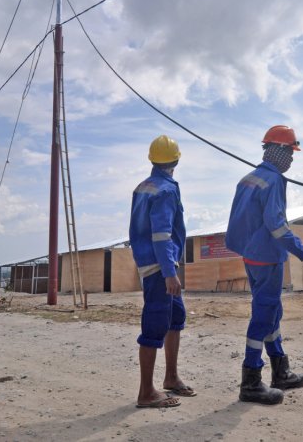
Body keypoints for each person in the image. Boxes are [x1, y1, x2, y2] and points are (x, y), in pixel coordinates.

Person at [225, 125, 303, 405]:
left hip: (251, 256)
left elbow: (239, 223)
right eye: (291, 153)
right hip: (267, 258)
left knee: (272, 312)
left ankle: (281, 370)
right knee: (263, 316)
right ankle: (251, 381)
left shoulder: (247, 179)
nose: (292, 160)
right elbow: (277, 226)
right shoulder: (273, 181)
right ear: (278, 151)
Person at [129, 135, 195, 408]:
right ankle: (146, 392)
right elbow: (161, 235)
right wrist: (169, 272)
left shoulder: (144, 186)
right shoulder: (165, 190)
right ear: (177, 159)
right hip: (159, 266)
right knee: (155, 324)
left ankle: (171, 377)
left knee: (175, 317)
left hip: (157, 263)